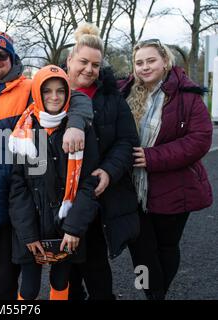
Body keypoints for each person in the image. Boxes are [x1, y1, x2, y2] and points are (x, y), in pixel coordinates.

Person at [0, 31, 93, 300]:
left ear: (12, 60)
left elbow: (74, 96)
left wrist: (76, 124)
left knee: (5, 293)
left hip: (4, 213)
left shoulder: (26, 89)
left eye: (2, 55)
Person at [119, 39, 213, 300]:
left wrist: (152, 157)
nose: (145, 67)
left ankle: (156, 295)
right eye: (139, 62)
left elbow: (200, 139)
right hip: (131, 188)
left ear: (165, 62)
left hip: (174, 187)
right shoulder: (125, 92)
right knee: (139, 250)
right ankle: (151, 292)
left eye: (151, 60)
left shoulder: (188, 96)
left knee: (166, 247)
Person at [8, 65, 101, 300]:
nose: (54, 96)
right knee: (28, 286)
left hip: (66, 225)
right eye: (47, 90)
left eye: (60, 90)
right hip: (33, 225)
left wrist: (74, 228)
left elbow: (88, 183)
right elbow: (18, 187)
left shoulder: (79, 130)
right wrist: (28, 234)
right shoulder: (25, 131)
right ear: (38, 93)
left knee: (60, 281)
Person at [64, 23, 140, 300]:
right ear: (70, 59)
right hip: (60, 196)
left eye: (95, 65)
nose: (89, 69)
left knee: (95, 264)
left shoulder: (111, 97)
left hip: (96, 194)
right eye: (83, 61)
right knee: (64, 267)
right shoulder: (51, 92)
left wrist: (109, 171)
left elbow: (127, 141)